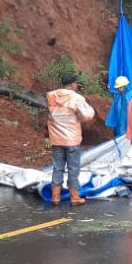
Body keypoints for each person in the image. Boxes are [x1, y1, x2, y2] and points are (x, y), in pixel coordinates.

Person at [46, 72, 95, 205]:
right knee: (73, 169)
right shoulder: (76, 98)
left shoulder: (50, 96)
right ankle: (74, 197)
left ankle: (55, 197)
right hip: (72, 139)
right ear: (73, 84)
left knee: (57, 168)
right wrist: (79, 116)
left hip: (56, 139)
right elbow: (88, 115)